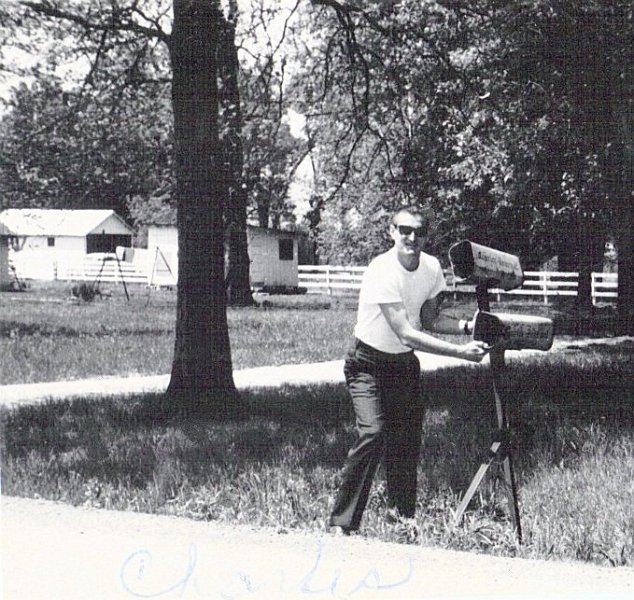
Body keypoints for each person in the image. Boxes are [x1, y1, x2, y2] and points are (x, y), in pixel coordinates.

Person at [328, 205, 489, 537]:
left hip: (402, 365)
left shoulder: (431, 268)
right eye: (404, 230)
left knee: (406, 441)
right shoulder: (380, 270)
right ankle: (341, 524)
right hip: (366, 363)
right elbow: (406, 332)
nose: (411, 237)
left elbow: (429, 320)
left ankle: (402, 518)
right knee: (373, 433)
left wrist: (468, 325)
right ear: (391, 231)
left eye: (418, 231)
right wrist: (461, 353)